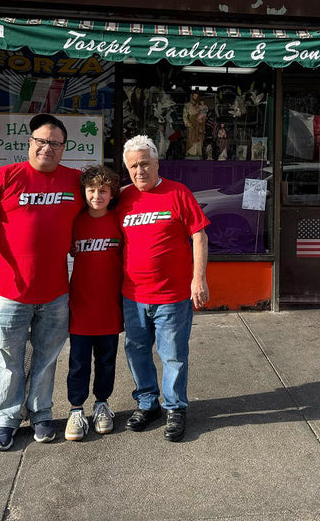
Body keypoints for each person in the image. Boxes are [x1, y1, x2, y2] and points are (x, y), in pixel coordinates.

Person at [0, 113, 83, 451]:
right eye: (41, 141)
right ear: (30, 143)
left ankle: (41, 413)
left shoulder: (75, 181)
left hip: (56, 291)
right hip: (10, 290)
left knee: (47, 358)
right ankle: (6, 418)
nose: (47, 147)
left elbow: (102, 200)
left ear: (64, 148)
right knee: (9, 358)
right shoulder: (5, 177)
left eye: (55, 143)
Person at [117, 135, 210, 442]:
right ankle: (147, 404)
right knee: (137, 352)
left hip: (172, 296)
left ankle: (175, 408)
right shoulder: (123, 198)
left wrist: (198, 278)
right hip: (133, 296)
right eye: (133, 166)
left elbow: (199, 236)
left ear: (157, 163)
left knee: (173, 355)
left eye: (145, 164)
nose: (139, 171)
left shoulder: (178, 192)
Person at [65, 165, 123, 441]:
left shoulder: (119, 221)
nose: (97, 196)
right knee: (78, 363)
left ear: (112, 194)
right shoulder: (75, 222)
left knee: (106, 361)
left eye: (103, 191)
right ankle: (76, 409)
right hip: (80, 306)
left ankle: (102, 404)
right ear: (84, 193)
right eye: (91, 190)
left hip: (110, 306)